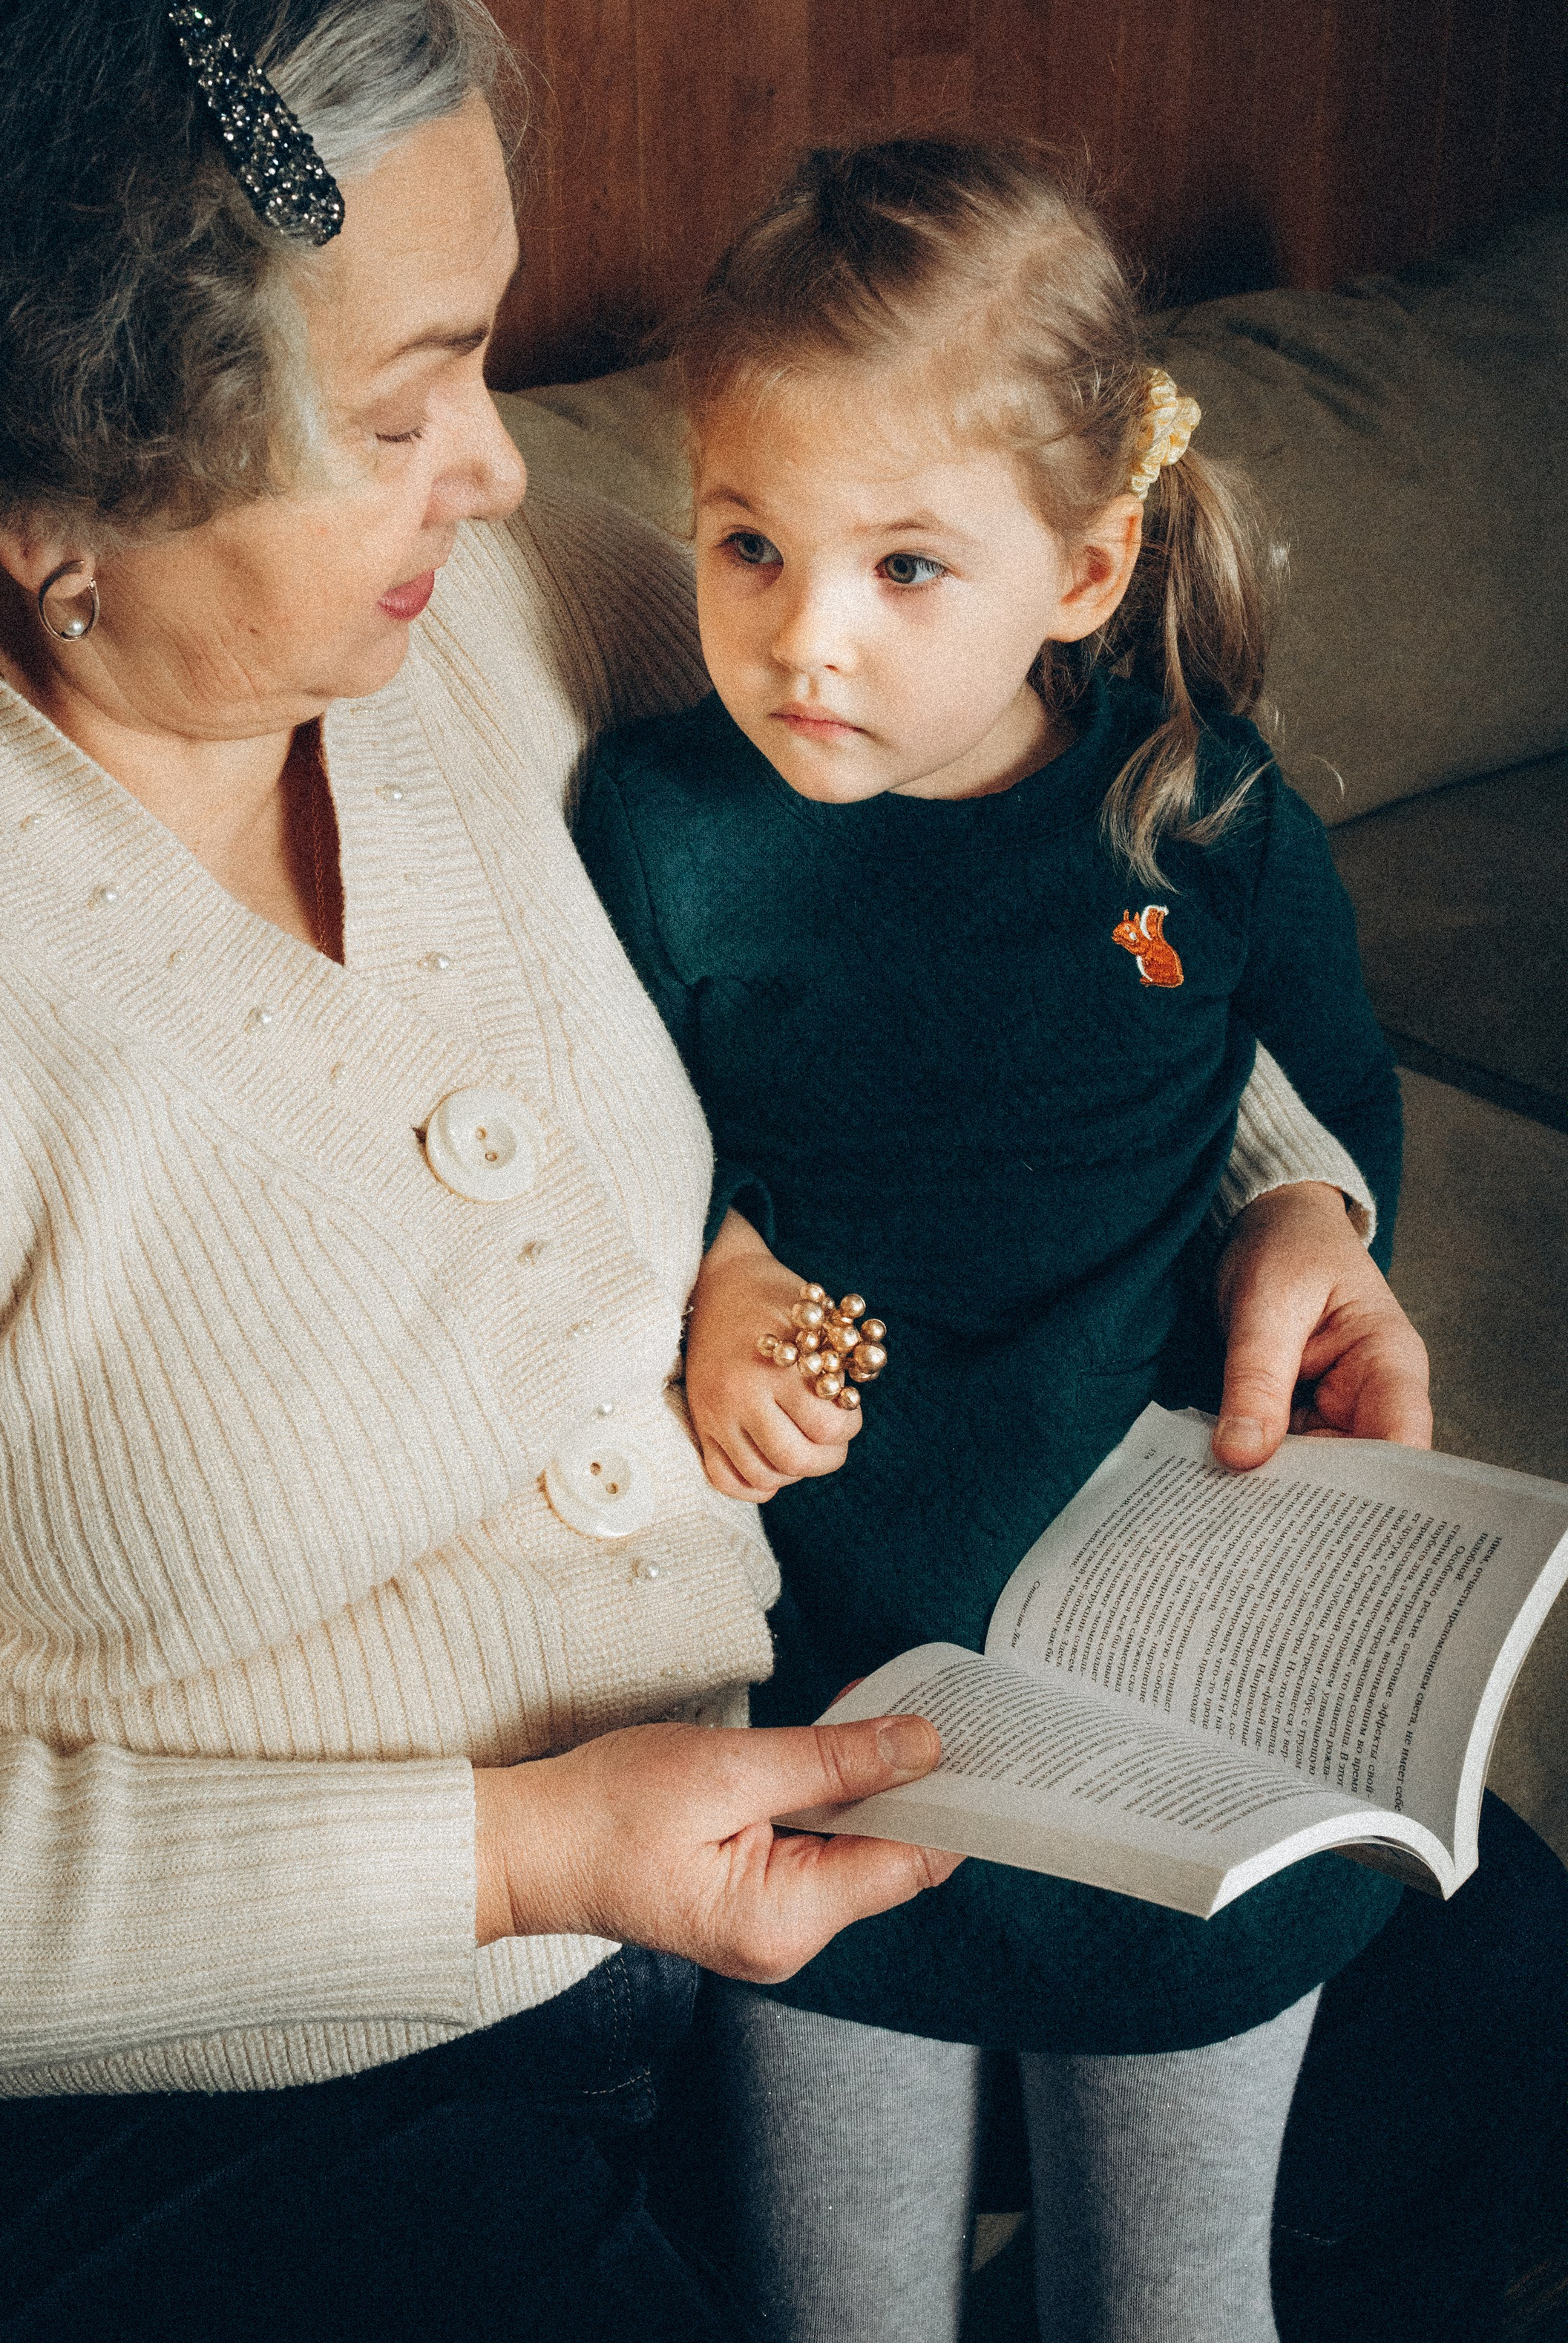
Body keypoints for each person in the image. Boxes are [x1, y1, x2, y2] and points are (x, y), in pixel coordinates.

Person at [0, 0, 1454, 2343]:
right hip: (131, 2091)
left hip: (758, 1845)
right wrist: (518, 1856)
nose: (506, 462)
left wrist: (1282, 1192)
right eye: (410, 404)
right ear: (76, 460)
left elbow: (1009, 854)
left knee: (1490, 2060)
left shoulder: (498, 607)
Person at [569, 138, 1459, 2343]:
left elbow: (1332, 1094)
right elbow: (581, 1142)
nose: (806, 633)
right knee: (837, 2308)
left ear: (1082, 570)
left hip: (1173, 1648)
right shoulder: (664, 833)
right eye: (750, 542)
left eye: (902, 566)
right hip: (840, 1679)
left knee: (1174, 2299)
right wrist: (711, 1265)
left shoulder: (1206, 809)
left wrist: (1313, 1214)